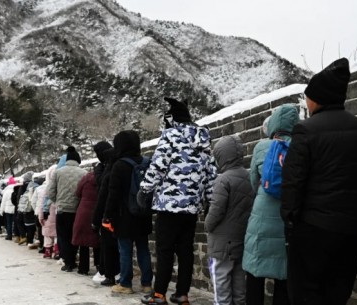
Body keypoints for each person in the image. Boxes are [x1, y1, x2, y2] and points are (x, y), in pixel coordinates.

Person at [281, 58, 357, 305]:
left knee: (306, 295)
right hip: (350, 230)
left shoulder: (305, 131)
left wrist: (291, 225)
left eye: (308, 97)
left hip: (312, 231)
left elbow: (293, 184)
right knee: (337, 294)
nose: (306, 102)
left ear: (317, 98)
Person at [139, 98, 217, 305]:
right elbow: (211, 173)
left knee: (165, 250)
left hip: (168, 203)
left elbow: (158, 165)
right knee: (185, 250)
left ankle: (159, 294)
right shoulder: (203, 138)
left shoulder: (170, 135)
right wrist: (210, 199)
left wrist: (145, 188)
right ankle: (182, 294)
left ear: (172, 118)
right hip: (191, 206)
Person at [242, 104, 299, 305]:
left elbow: (253, 182)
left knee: (255, 274)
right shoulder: (300, 147)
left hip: (261, 220)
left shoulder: (261, 147)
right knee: (283, 276)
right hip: (288, 220)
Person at [205, 135, 255, 305]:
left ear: (221, 156)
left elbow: (216, 210)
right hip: (241, 240)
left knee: (221, 285)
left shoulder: (223, 180)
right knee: (239, 286)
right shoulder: (249, 177)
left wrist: (207, 224)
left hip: (221, 244)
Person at [103, 130, 153, 295]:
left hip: (123, 215)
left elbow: (113, 194)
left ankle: (125, 283)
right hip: (143, 213)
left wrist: (107, 215)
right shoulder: (147, 162)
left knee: (125, 250)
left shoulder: (119, 165)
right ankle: (147, 284)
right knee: (143, 249)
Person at [47, 146, 87, 272]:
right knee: (74, 236)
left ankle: (67, 262)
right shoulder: (84, 173)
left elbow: (50, 191)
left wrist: (57, 201)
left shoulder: (58, 172)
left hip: (62, 209)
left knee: (63, 236)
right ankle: (73, 259)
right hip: (77, 210)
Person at [91, 142, 120, 286]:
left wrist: (96, 219)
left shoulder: (108, 167)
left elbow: (103, 189)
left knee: (108, 245)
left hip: (108, 211)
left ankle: (109, 274)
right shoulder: (120, 162)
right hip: (124, 211)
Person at [73, 170, 100, 276]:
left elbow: (77, 193)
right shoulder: (102, 177)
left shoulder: (86, 178)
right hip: (97, 209)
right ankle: (99, 266)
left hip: (84, 210)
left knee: (83, 240)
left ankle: (83, 267)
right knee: (97, 240)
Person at [37, 165, 58, 259]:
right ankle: (57, 250)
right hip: (57, 215)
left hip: (47, 216)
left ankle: (48, 251)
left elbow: (42, 204)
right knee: (57, 234)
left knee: (47, 235)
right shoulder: (60, 187)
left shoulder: (46, 189)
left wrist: (40, 217)